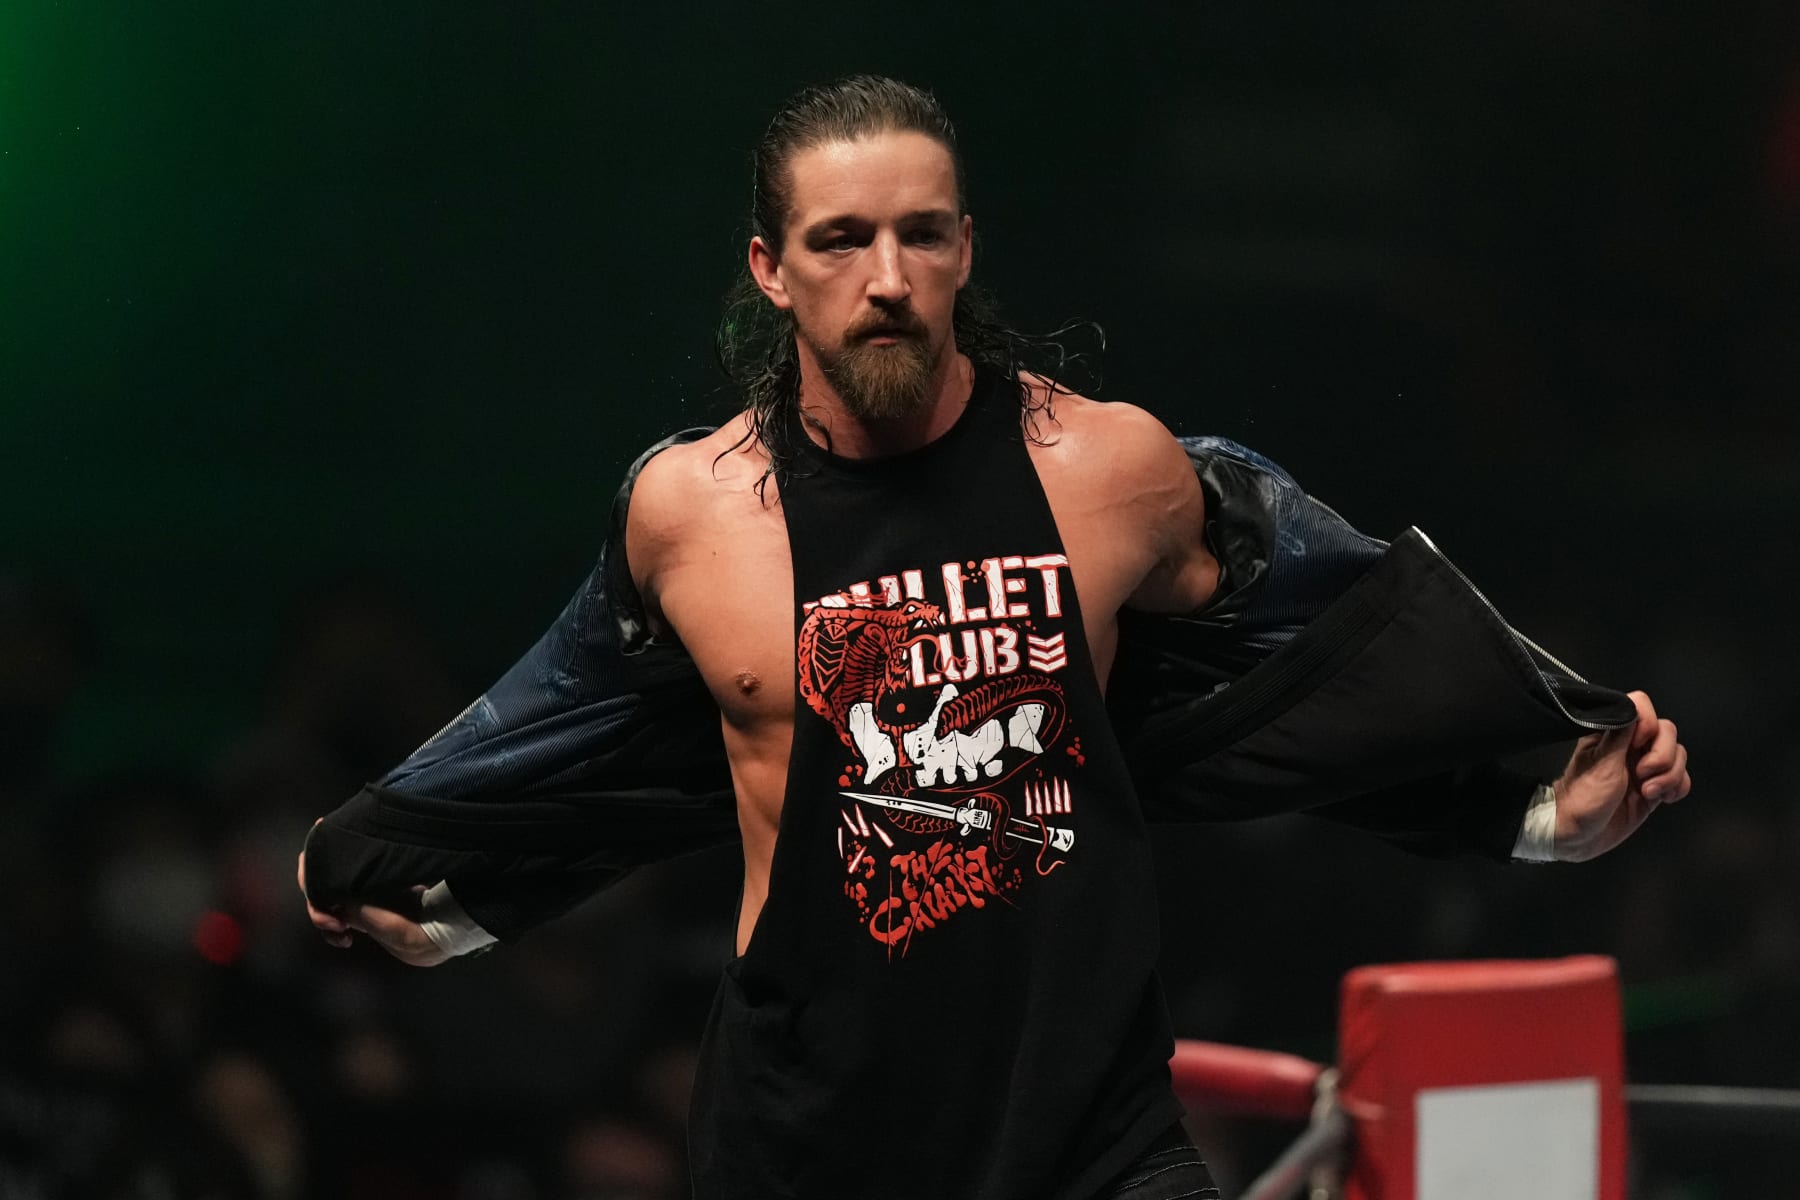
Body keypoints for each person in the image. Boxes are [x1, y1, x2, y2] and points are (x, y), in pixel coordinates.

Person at [299, 76, 1691, 1200]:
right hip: (806, 1140)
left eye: (924, 233)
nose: (889, 275)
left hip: (1090, 1130)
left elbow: (1325, 647)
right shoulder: (689, 512)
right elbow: (561, 725)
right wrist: (406, 850)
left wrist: (1535, 788)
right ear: (771, 271)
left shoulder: (1111, 470)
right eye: (842, 239)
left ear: (968, 249)